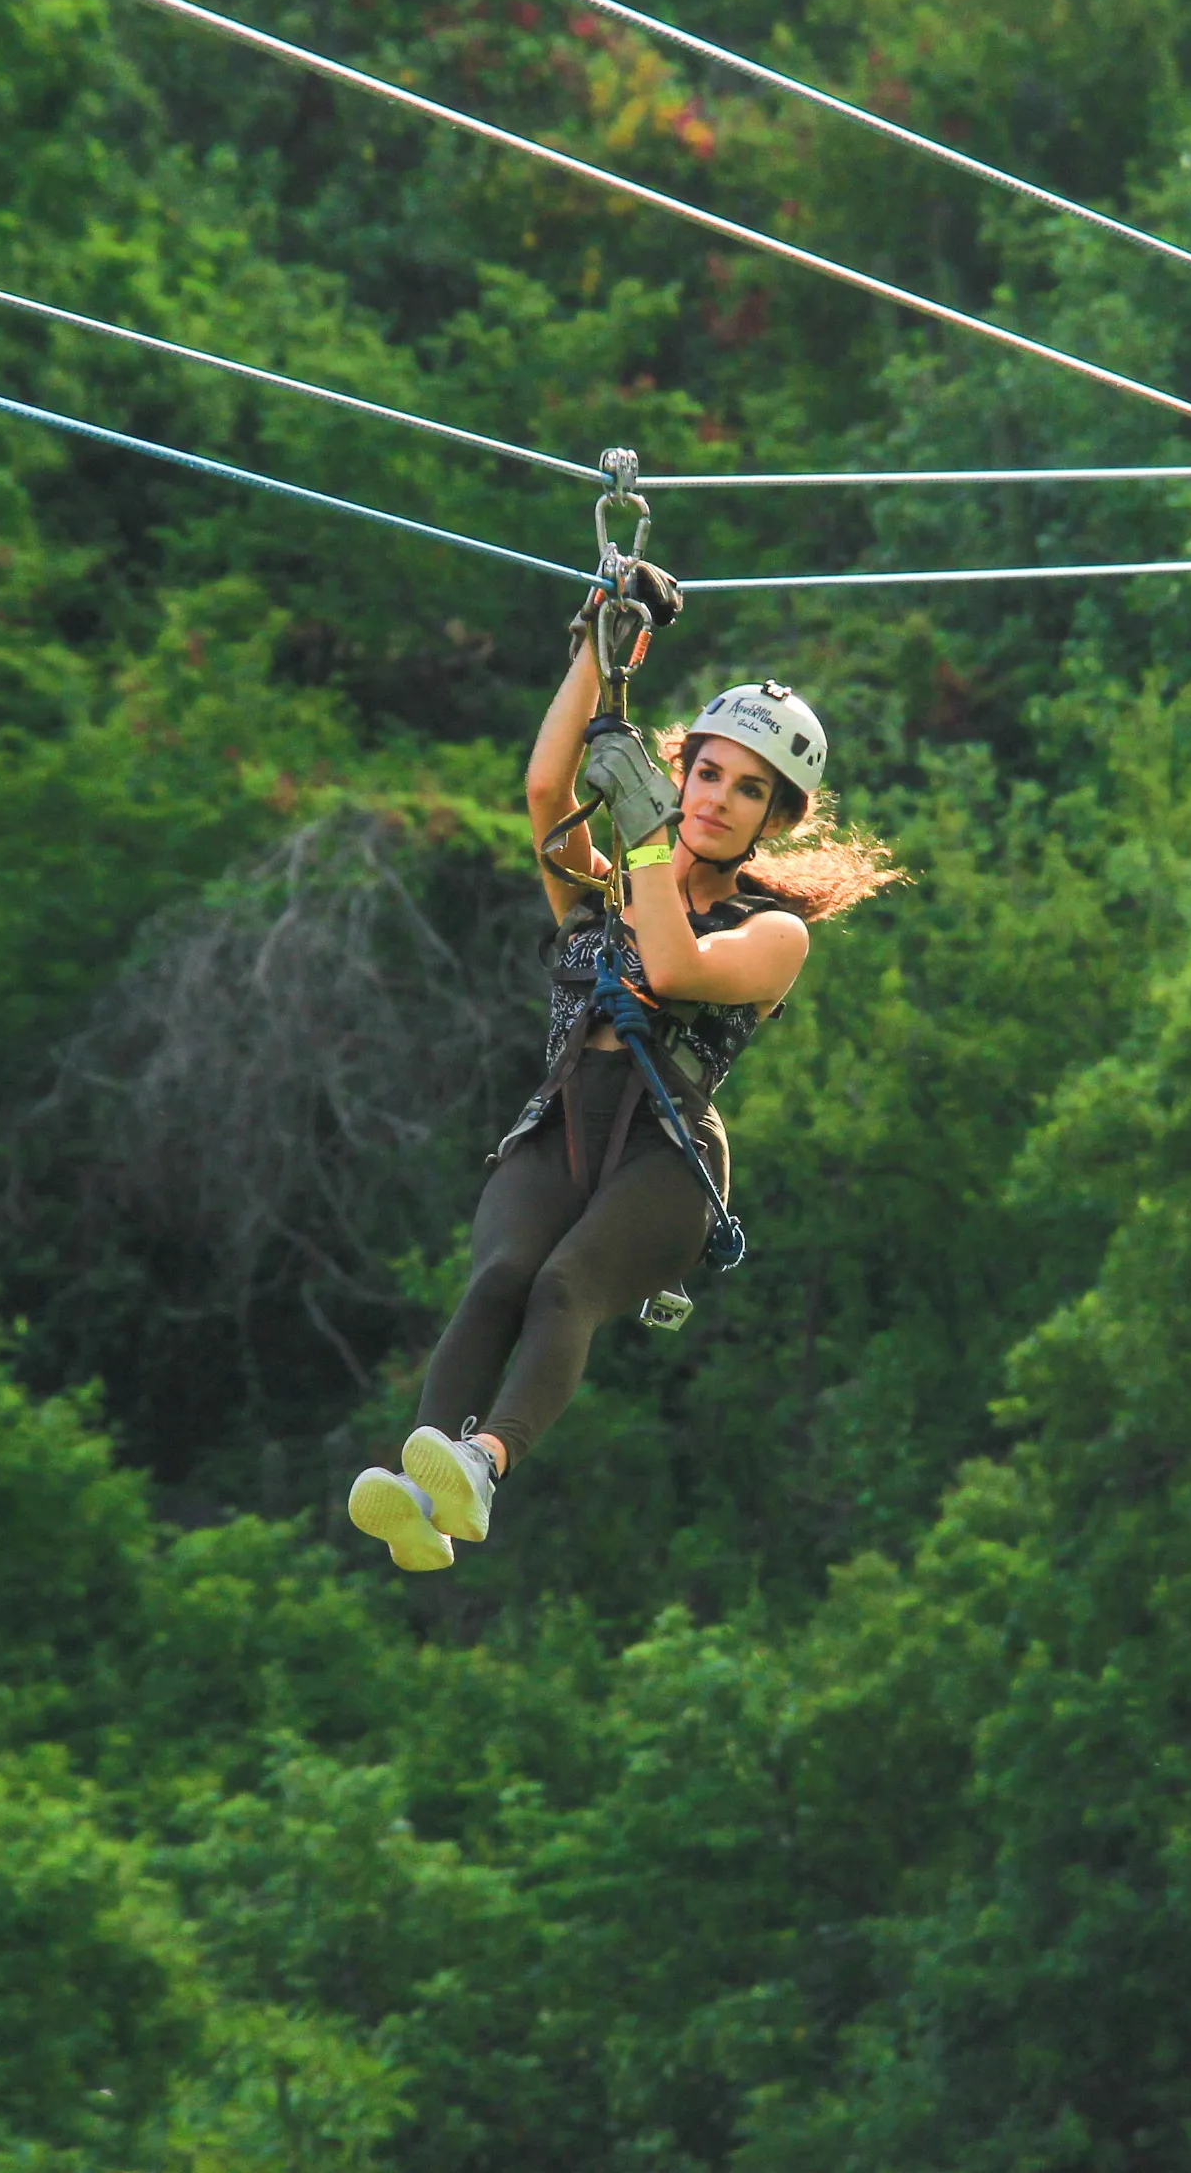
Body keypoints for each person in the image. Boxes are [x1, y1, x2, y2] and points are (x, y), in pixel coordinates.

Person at [348, 571, 899, 1571]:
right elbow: (544, 792)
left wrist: (644, 838)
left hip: (664, 1155)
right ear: (682, 774)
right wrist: (598, 647)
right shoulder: (598, 896)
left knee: (564, 1286)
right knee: (498, 1279)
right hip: (562, 1120)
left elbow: (677, 966)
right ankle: (422, 1493)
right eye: (708, 774)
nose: (718, 800)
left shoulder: (773, 935)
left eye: (749, 790)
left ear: (774, 820)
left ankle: (484, 1464)